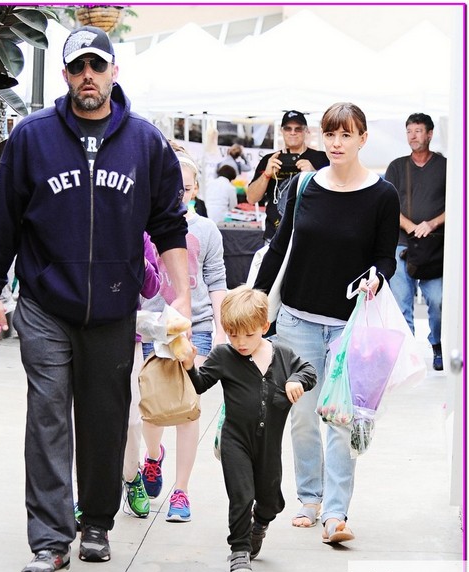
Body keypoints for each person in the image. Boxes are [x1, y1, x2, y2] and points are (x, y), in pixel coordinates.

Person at [0, 26, 191, 572]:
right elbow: (3, 220)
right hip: (45, 305)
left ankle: (96, 522)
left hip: (113, 310)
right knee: (46, 418)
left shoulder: (146, 142)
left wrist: (181, 297)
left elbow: (168, 225)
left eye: (97, 65)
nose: (87, 76)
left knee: (104, 417)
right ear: (65, 75)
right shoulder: (32, 137)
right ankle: (49, 541)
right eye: (77, 67)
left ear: (114, 71)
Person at [253, 102, 400, 544]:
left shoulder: (382, 195)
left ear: (362, 139)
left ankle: (336, 514)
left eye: (346, 135)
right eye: (330, 135)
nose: (336, 144)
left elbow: (384, 257)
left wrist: (377, 277)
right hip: (297, 321)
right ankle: (310, 499)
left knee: (338, 420)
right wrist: (257, 301)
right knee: (301, 417)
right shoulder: (302, 186)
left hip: (348, 325)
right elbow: (279, 248)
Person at [181, 286, 316, 572]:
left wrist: (296, 381)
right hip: (236, 440)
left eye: (249, 334)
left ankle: (260, 524)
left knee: (270, 500)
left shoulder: (282, 355)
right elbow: (201, 383)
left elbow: (309, 372)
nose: (240, 342)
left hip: (268, 446)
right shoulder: (224, 355)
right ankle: (239, 550)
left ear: (265, 327)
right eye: (233, 334)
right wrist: (191, 365)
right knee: (241, 496)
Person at [140, 145, 227, 523]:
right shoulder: (142, 225)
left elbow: (216, 281)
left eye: (186, 189)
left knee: (189, 409)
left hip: (199, 326)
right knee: (152, 403)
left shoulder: (206, 230)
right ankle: (153, 457)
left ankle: (181, 490)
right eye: (173, 188)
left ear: (194, 190)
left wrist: (222, 328)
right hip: (152, 325)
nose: (180, 195)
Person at [385, 113, 446, 371]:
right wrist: (410, 226)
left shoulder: (445, 165)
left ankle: (437, 344)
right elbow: (386, 203)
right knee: (401, 303)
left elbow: (460, 203)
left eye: (418, 130)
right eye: (409, 131)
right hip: (401, 244)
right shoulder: (397, 166)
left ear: (430, 134)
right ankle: (406, 358)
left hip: (435, 246)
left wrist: (432, 223)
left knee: (438, 300)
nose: (413, 135)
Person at [122, 233, 160, 518]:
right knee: (83, 417)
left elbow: (151, 287)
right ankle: (84, 492)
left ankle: (131, 475)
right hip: (82, 330)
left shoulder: (139, 234)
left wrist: (137, 255)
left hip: (126, 334)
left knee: (133, 420)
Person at [247, 110, 329, 243]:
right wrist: (267, 175)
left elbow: (334, 194)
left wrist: (314, 173)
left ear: (306, 131)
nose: (293, 132)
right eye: (288, 128)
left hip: (311, 237)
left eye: (298, 129)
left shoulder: (322, 158)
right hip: (275, 236)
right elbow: (251, 198)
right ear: (282, 131)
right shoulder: (270, 159)